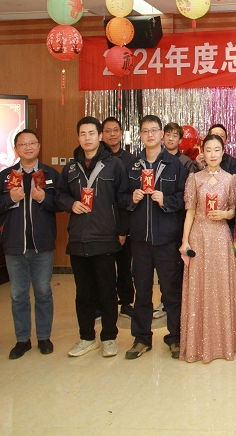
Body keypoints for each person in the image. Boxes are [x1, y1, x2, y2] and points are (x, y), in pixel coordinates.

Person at [56, 117, 131, 358]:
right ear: (78, 137)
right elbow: (58, 195)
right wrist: (71, 203)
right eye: (83, 134)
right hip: (78, 239)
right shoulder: (70, 168)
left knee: (107, 291)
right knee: (83, 294)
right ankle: (86, 337)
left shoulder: (114, 165)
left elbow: (123, 199)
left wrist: (122, 231)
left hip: (105, 237)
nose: (87, 138)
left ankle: (109, 337)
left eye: (91, 133)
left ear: (100, 136)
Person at [0, 129, 60, 359]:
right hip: (14, 245)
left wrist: (43, 198)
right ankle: (22, 339)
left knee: (43, 292)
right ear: (16, 149)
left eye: (32, 143)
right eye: (23, 144)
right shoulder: (5, 176)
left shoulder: (50, 174)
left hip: (42, 245)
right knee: (18, 295)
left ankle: (44, 337)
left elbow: (61, 203)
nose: (28, 147)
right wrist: (10, 199)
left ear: (39, 146)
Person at [124, 115, 188, 360]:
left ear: (162, 134)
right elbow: (119, 196)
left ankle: (176, 337)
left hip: (167, 240)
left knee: (171, 291)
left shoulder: (175, 165)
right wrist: (131, 198)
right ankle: (141, 338)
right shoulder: (132, 165)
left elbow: (185, 198)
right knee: (141, 292)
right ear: (140, 135)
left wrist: (167, 200)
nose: (150, 135)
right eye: (145, 131)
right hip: (140, 240)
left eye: (154, 130)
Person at [179, 134, 236, 363]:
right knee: (199, 286)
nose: (213, 154)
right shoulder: (194, 179)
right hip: (199, 235)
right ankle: (197, 345)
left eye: (217, 150)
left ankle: (224, 344)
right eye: (209, 150)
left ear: (223, 152)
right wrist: (185, 241)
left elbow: (235, 209)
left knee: (220, 286)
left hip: (220, 235)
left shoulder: (231, 179)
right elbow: (189, 212)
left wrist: (225, 214)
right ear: (202, 153)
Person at [102, 117, 136, 319]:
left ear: (121, 133)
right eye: (108, 131)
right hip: (102, 221)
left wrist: (123, 228)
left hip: (125, 220)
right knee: (103, 268)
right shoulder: (97, 159)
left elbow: (130, 195)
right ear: (102, 134)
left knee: (124, 266)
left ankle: (126, 302)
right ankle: (103, 305)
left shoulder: (130, 160)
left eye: (115, 130)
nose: (112, 134)